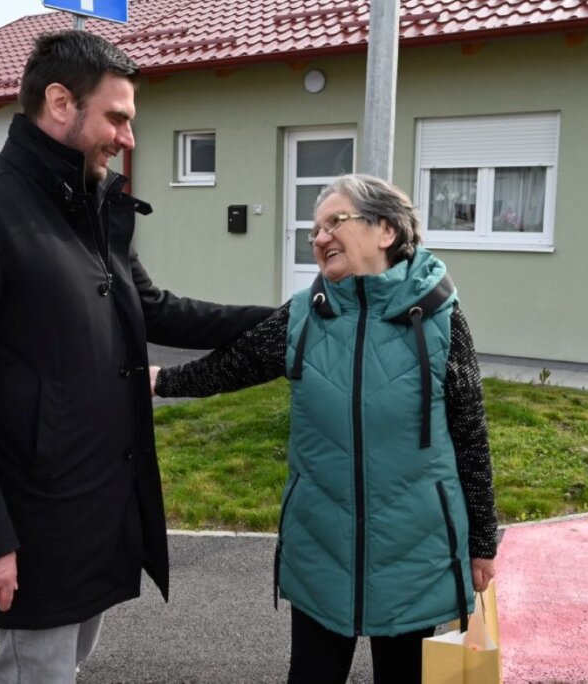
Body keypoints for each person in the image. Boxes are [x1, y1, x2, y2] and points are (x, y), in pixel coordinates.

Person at [0, 30, 273, 684]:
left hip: (97, 508)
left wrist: (284, 319)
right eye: (118, 118)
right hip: (32, 517)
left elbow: (156, 309)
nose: (127, 138)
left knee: (68, 668)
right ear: (59, 103)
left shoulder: (94, 209)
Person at [151, 174, 498, 684]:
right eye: (315, 230)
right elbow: (233, 366)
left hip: (416, 551)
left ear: (385, 231)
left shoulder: (441, 317)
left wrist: (482, 541)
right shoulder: (303, 317)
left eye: (335, 222)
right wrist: (162, 382)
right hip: (321, 545)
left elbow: (470, 432)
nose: (319, 238)